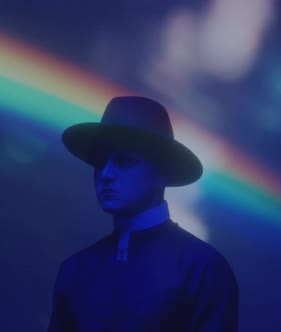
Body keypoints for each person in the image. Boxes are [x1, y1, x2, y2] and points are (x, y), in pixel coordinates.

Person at [49, 96, 239, 331]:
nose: (106, 173)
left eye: (125, 162)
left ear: (161, 171)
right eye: (100, 162)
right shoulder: (76, 270)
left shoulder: (202, 269)